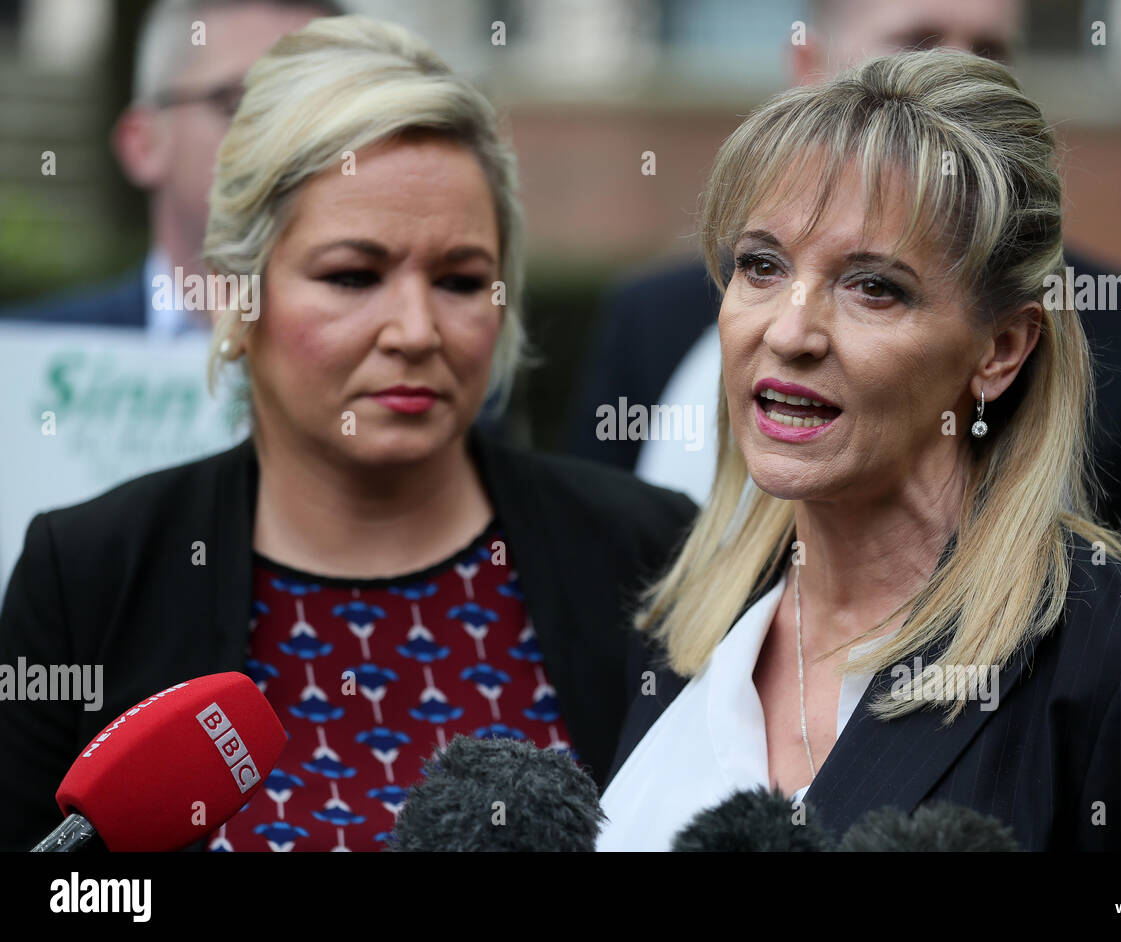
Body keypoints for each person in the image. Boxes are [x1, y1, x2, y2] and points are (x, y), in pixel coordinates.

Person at [0, 15, 696, 853]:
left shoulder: (647, 554)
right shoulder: (93, 575)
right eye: (353, 276)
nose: (414, 328)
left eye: (461, 280)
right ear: (237, 291)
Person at [597, 50, 1121, 852]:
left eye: (873, 287)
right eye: (761, 266)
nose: (789, 331)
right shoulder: (686, 622)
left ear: (1000, 349)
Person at [566, 0, 1121, 620]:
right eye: (918, 43)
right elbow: (596, 595)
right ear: (809, 69)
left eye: (993, 49)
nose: (791, 332)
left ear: (1004, 348)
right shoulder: (651, 316)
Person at [2, 0, 344, 337]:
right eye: (238, 104)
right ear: (144, 144)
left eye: (316, 109)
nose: (284, 140)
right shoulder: (26, 361)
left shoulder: (384, 354)